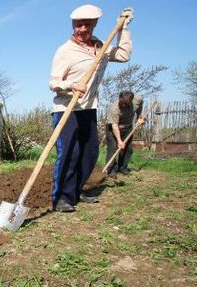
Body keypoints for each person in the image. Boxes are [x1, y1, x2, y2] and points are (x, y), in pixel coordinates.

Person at [49, 4, 133, 212]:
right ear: (73, 25)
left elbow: (123, 55)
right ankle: (61, 198)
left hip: (89, 108)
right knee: (70, 153)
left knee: (90, 153)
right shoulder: (65, 51)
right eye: (78, 25)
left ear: (95, 24)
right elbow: (53, 82)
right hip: (66, 109)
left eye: (87, 25)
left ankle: (76, 191)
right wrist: (71, 85)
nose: (82, 29)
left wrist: (122, 28)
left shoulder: (101, 47)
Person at [105, 91, 144, 178]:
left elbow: (140, 104)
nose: (122, 106)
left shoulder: (137, 100)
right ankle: (111, 170)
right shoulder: (114, 108)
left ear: (131, 101)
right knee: (113, 147)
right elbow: (114, 126)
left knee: (128, 149)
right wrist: (119, 141)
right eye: (121, 103)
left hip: (127, 127)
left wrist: (139, 117)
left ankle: (122, 168)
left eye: (125, 104)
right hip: (113, 128)